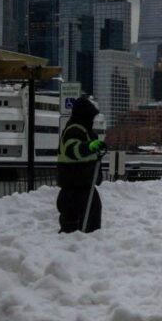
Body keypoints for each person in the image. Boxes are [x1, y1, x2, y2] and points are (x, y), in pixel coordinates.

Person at [57, 96, 106, 233]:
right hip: (74, 186)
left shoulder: (84, 131)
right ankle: (71, 250)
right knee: (74, 225)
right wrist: (90, 147)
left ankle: (86, 247)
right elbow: (73, 150)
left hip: (83, 185)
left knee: (91, 219)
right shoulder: (74, 130)